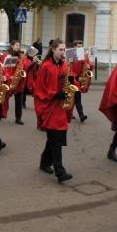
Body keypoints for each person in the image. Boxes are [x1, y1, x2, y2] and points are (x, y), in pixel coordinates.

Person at [33, 39, 74, 183]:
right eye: (61, 50)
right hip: (50, 107)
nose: (63, 52)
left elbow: (67, 81)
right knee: (56, 140)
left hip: (61, 107)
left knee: (54, 139)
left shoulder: (64, 65)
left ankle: (44, 162)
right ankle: (60, 172)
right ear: (53, 49)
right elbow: (39, 89)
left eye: (64, 50)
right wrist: (54, 94)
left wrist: (71, 81)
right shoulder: (46, 66)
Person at [1, 40, 30, 125]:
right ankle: (0, 113)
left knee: (19, 101)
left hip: (18, 81)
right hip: (8, 79)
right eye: (16, 45)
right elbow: (4, 67)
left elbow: (26, 65)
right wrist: (9, 76)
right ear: (12, 46)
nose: (18, 47)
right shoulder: (7, 55)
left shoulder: (21, 55)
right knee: (4, 98)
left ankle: (18, 118)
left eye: (19, 45)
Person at [70, 40, 93, 123]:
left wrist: (89, 65)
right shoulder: (70, 54)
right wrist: (76, 77)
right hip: (71, 78)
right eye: (79, 46)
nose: (80, 48)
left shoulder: (83, 55)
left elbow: (89, 64)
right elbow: (68, 67)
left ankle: (80, 115)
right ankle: (77, 115)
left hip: (79, 79)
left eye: (81, 46)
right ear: (74, 47)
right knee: (72, 98)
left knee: (77, 98)